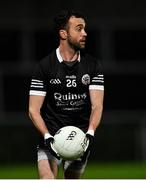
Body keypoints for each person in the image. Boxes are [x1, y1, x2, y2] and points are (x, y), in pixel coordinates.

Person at [28, 9, 104, 179]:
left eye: (84, 28)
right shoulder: (45, 66)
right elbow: (33, 110)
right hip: (50, 134)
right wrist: (47, 136)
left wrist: (90, 133)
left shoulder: (92, 66)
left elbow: (97, 105)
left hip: (79, 138)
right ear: (63, 33)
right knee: (47, 177)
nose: (84, 33)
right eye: (79, 28)